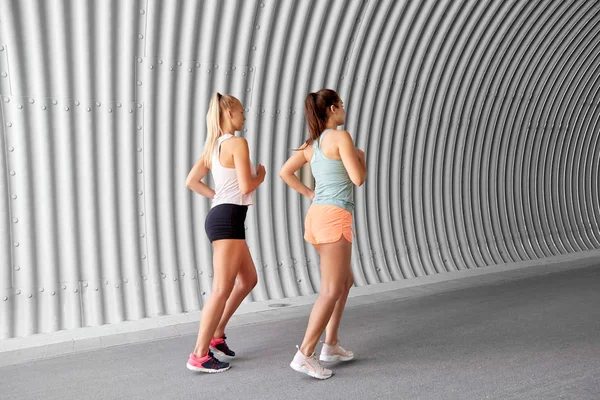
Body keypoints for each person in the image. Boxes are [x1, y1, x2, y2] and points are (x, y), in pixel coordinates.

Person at [279, 89, 367, 379]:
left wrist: (309, 193)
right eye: (340, 105)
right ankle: (305, 354)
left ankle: (330, 345)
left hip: (316, 217)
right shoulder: (341, 138)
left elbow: (285, 172)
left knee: (345, 281)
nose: (344, 110)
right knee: (331, 289)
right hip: (334, 217)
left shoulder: (311, 144)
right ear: (331, 109)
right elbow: (358, 178)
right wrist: (360, 157)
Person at [185, 92, 266, 373]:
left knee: (249, 279)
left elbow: (191, 181)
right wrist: (261, 177)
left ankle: (217, 334)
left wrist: (216, 195)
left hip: (224, 216)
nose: (244, 116)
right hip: (229, 218)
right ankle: (199, 354)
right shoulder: (237, 143)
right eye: (241, 111)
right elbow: (246, 186)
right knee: (221, 288)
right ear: (229, 114)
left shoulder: (213, 146)